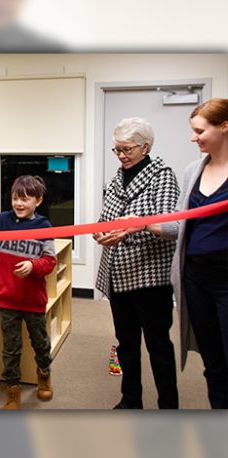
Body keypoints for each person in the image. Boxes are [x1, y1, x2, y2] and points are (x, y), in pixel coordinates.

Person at [142, 99, 228, 408]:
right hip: (195, 278)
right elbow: (182, 225)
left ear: (224, 127)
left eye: (199, 131)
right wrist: (139, 225)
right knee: (213, 362)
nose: (193, 137)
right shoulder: (194, 170)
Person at [94, 117, 180, 409]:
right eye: (116, 150)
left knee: (158, 344)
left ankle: (169, 405)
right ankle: (131, 399)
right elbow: (107, 218)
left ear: (145, 147)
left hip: (149, 275)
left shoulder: (163, 175)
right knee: (126, 341)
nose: (121, 155)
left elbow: (171, 226)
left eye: (126, 149)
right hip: (118, 274)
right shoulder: (117, 178)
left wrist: (137, 226)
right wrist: (100, 231)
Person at [0, 175, 56, 409]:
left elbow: (50, 261)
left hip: (33, 299)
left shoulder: (44, 227)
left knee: (40, 343)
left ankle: (44, 374)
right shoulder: (2, 220)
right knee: (11, 348)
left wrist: (33, 266)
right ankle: (12, 388)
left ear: (38, 200)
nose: (19, 204)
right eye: (16, 198)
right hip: (7, 298)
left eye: (25, 199)